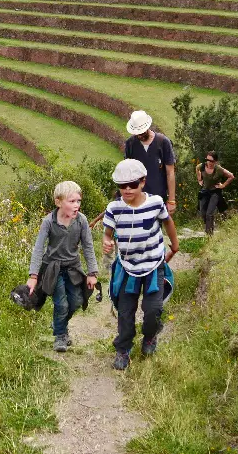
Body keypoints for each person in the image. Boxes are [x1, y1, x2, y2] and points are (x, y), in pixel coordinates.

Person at [103, 159, 179, 371]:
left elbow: (167, 222)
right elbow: (107, 235)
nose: (127, 189)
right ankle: (123, 349)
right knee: (126, 312)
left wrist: (175, 244)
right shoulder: (114, 209)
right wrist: (107, 244)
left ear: (143, 182)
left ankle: (150, 337)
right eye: (122, 185)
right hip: (128, 269)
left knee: (153, 310)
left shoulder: (155, 203)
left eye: (133, 184)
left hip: (154, 266)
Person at [26, 181, 99, 352]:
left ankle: (59, 323)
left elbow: (88, 247)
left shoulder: (81, 221)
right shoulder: (48, 222)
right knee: (62, 304)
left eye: (78, 201)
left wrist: (92, 272)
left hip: (73, 268)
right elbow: (38, 249)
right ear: (59, 202)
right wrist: (33, 276)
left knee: (77, 301)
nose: (77, 206)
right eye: (72, 201)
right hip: (53, 268)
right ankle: (60, 336)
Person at [122, 110, 177, 214]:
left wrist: (171, 200)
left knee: (156, 229)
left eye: (142, 132)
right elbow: (127, 171)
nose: (140, 136)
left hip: (158, 198)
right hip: (137, 198)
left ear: (147, 127)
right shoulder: (130, 144)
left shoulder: (163, 142)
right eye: (137, 133)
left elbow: (170, 172)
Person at [195, 151, 234, 235]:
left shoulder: (219, 169)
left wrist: (223, 185)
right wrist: (199, 179)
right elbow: (197, 169)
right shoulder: (202, 166)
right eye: (207, 160)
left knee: (209, 213)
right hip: (205, 191)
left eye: (211, 161)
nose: (209, 162)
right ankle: (210, 225)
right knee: (202, 212)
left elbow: (231, 176)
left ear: (215, 161)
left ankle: (209, 234)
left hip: (215, 192)